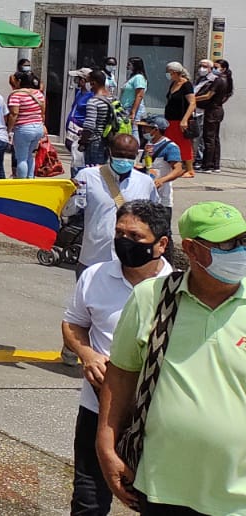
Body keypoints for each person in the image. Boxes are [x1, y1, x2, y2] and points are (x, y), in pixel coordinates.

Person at [97, 202, 246, 516]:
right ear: (192, 249)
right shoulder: (152, 298)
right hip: (163, 489)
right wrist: (106, 446)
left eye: (244, 241)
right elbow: (121, 376)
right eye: (228, 244)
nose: (240, 251)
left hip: (238, 497)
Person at [59, 200, 172, 516]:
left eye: (135, 237)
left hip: (155, 415)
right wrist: (86, 354)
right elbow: (73, 322)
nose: (124, 242)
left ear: (161, 244)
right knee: (88, 499)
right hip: (98, 410)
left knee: (153, 499)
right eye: (119, 233)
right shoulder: (95, 276)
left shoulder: (176, 290)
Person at [71, 133, 158, 272]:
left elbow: (154, 218)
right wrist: (70, 193)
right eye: (120, 154)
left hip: (130, 261)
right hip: (94, 258)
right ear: (109, 152)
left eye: (130, 156)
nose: (124, 160)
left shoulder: (146, 182)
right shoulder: (86, 176)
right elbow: (69, 211)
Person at [7, 71, 48, 179]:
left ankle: (21, 182)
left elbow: (14, 114)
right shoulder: (39, 94)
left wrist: (9, 129)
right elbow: (43, 112)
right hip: (38, 127)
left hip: (23, 128)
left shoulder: (16, 95)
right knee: (30, 155)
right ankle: (30, 178)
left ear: (20, 82)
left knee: (21, 158)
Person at [160, 62, 197, 178]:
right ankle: (175, 166)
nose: (168, 74)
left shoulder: (186, 85)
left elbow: (192, 103)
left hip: (180, 120)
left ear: (175, 72)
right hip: (170, 119)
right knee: (170, 143)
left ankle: (190, 169)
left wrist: (184, 119)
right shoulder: (173, 84)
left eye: (169, 72)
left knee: (184, 143)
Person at [79, 70, 118, 168]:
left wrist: (82, 142)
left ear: (93, 83)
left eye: (87, 82)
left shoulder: (93, 101)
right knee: (104, 170)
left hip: (95, 143)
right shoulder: (113, 99)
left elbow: (89, 126)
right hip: (108, 141)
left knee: (94, 172)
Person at [198, 58, 232, 172]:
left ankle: (207, 164)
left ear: (224, 69)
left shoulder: (218, 80)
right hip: (218, 110)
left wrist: (193, 98)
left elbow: (208, 95)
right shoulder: (227, 80)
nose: (214, 70)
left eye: (216, 68)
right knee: (215, 138)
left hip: (212, 111)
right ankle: (215, 164)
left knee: (209, 138)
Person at [119, 56, 148, 120]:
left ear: (135, 65)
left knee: (132, 129)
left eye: (129, 64)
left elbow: (139, 95)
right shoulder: (133, 77)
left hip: (132, 109)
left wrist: (133, 112)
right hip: (126, 108)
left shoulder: (139, 77)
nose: (127, 67)